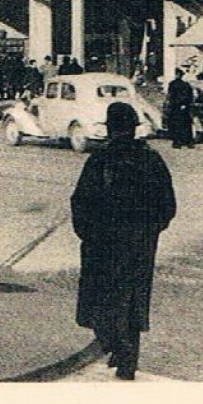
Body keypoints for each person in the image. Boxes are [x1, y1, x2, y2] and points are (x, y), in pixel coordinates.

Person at [71, 101, 176, 380]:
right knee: (132, 301)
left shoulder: (100, 160)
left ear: (111, 129)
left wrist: (88, 234)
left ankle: (115, 345)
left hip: (103, 245)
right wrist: (150, 231)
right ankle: (127, 357)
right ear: (133, 129)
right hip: (139, 244)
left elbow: (80, 202)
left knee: (101, 300)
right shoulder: (152, 160)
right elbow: (167, 205)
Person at [163, 67, 196, 149]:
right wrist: (186, 105)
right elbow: (190, 96)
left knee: (176, 125)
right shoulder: (187, 85)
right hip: (185, 108)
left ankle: (178, 142)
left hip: (175, 107)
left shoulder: (173, 84)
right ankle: (189, 142)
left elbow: (170, 96)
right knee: (186, 125)